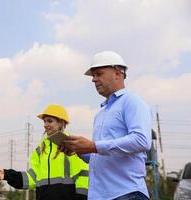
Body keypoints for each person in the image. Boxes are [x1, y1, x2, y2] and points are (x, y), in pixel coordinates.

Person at [60, 51, 152, 200]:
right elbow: (102, 155)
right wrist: (80, 150)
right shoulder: (101, 113)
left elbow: (141, 140)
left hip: (127, 193)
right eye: (93, 76)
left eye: (99, 74)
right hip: (101, 195)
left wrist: (94, 146)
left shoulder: (132, 101)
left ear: (117, 73)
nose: (94, 80)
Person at [0, 104, 89, 200]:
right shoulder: (40, 149)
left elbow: (83, 174)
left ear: (61, 123)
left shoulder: (72, 145)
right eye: (44, 121)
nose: (45, 125)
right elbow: (32, 177)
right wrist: (8, 175)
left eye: (49, 121)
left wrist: (82, 197)